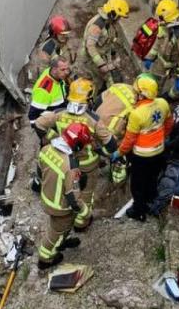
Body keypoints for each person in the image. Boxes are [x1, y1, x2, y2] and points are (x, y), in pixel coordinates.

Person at [33, 78, 99, 230]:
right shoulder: (93, 120)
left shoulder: (59, 114)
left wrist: (52, 138)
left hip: (65, 159)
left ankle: (73, 218)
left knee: (69, 188)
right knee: (86, 193)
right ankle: (81, 224)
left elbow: (39, 124)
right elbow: (109, 144)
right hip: (87, 164)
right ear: (88, 98)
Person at [113, 74, 173, 221]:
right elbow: (169, 124)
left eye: (136, 91)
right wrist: (160, 138)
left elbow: (129, 139)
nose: (134, 94)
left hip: (141, 156)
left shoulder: (136, 114)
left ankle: (139, 211)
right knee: (152, 178)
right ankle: (151, 199)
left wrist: (119, 152)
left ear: (142, 94)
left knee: (137, 185)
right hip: (159, 151)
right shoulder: (163, 103)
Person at [35, 122, 93, 270]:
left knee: (60, 228)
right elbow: (72, 197)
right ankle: (46, 258)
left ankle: (62, 240)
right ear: (78, 145)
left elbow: (40, 171)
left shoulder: (46, 149)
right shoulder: (70, 166)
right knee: (56, 232)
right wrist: (85, 211)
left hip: (48, 197)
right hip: (60, 207)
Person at [141, 0, 179, 100]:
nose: (158, 20)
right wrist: (150, 58)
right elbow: (158, 43)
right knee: (152, 82)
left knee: (177, 91)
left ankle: (167, 99)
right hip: (161, 61)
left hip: (175, 65)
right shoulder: (164, 27)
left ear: (167, 17)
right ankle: (150, 99)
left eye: (160, 17)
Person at [92, 81, 137, 184]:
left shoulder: (121, 86)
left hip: (100, 121)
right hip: (110, 128)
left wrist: (93, 115)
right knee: (115, 148)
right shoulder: (137, 105)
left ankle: (116, 163)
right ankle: (118, 167)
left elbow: (100, 99)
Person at [81, 0, 130, 88]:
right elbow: (90, 47)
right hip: (91, 59)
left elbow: (108, 40)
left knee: (108, 80)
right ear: (113, 14)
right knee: (98, 83)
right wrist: (101, 65)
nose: (119, 19)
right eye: (119, 16)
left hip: (102, 55)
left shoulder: (108, 23)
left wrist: (113, 55)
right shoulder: (97, 26)